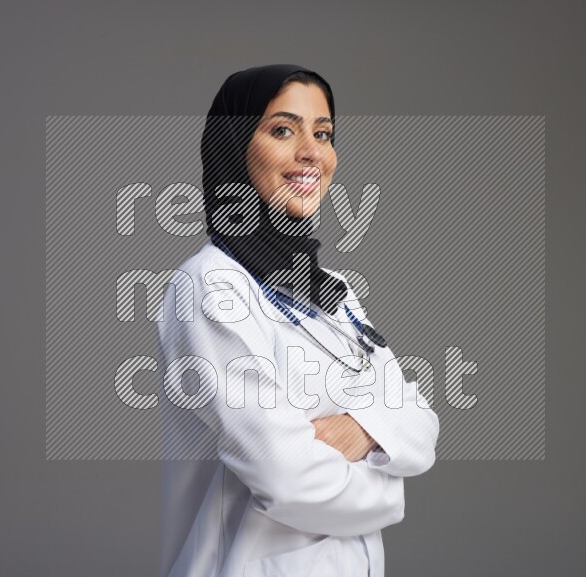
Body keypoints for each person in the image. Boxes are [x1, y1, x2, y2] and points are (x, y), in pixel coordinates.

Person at [157, 64, 439, 577]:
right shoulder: (209, 286)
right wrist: (389, 486)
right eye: (283, 130)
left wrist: (362, 427)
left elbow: (420, 425)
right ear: (234, 146)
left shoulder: (333, 290)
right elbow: (285, 477)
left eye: (324, 133)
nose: (312, 152)